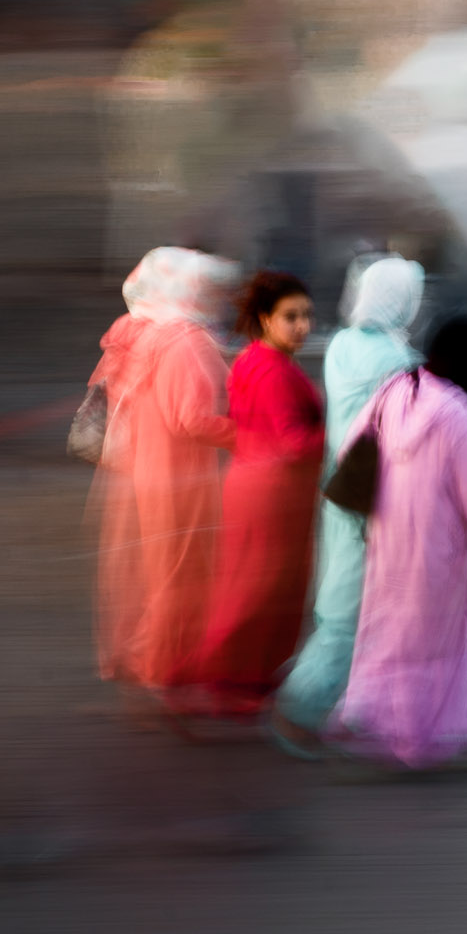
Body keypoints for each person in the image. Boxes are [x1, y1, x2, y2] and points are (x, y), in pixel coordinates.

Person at [329, 314, 467, 771]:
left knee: (391, 634)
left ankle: (376, 721)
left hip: (388, 542)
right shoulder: (459, 414)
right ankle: (421, 736)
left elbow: (350, 449)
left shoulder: (394, 391)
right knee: (436, 642)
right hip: (437, 550)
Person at [270, 255, 426, 756]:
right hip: (376, 498)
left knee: (341, 599)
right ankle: (300, 708)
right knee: (353, 612)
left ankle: (352, 705)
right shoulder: (398, 361)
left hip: (340, 488)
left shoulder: (343, 343)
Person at [90, 247, 239, 710]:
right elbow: (192, 419)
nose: (218, 298)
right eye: (209, 288)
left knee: (150, 570)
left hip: (139, 470)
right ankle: (164, 669)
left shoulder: (136, 329)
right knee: (181, 574)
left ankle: (143, 658)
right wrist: (251, 436)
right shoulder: (187, 341)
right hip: (180, 476)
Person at [191, 271, 324, 717]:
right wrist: (346, 435)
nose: (302, 326)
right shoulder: (275, 371)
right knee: (258, 590)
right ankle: (219, 678)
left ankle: (246, 675)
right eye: (291, 316)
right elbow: (294, 442)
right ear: (266, 318)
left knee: (256, 586)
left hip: (251, 482)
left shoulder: (251, 358)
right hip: (273, 494)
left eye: (306, 315)